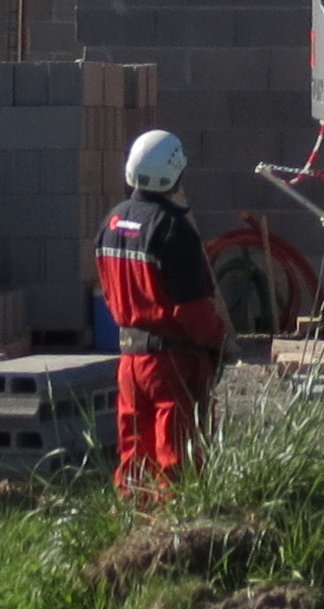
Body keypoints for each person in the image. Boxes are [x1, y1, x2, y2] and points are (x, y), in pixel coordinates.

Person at [95, 129, 230, 492]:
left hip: (129, 361)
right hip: (172, 363)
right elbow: (193, 311)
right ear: (176, 173)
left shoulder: (111, 224)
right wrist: (219, 342)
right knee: (177, 464)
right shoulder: (173, 230)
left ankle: (131, 535)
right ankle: (175, 540)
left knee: (134, 461)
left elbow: (109, 294)